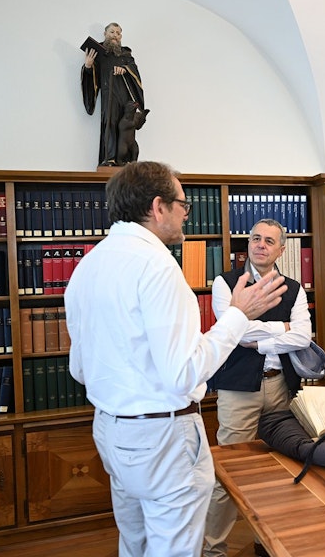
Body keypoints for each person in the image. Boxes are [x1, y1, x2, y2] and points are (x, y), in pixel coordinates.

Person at [65, 161, 286, 557]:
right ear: (158, 207)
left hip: (112, 429)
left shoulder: (88, 265)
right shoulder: (158, 267)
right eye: (183, 203)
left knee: (135, 546)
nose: (187, 212)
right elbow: (183, 373)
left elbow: (79, 369)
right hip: (162, 436)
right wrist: (238, 315)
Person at [202, 218, 312, 557]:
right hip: (239, 389)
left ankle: (267, 543)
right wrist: (281, 327)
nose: (260, 245)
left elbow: (302, 337)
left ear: (281, 249)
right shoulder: (226, 282)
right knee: (229, 471)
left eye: (269, 240)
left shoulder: (293, 287)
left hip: (283, 387)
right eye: (255, 238)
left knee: (279, 468)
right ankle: (212, 549)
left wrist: (260, 340)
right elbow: (235, 331)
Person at [81, 22, 145, 166]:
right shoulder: (98, 54)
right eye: (112, 32)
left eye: (118, 33)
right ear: (105, 34)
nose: (115, 35)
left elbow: (134, 70)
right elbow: (91, 76)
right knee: (110, 121)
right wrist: (88, 66)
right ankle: (109, 158)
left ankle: (126, 159)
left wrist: (125, 69)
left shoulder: (125, 54)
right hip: (108, 93)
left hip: (124, 95)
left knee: (125, 125)